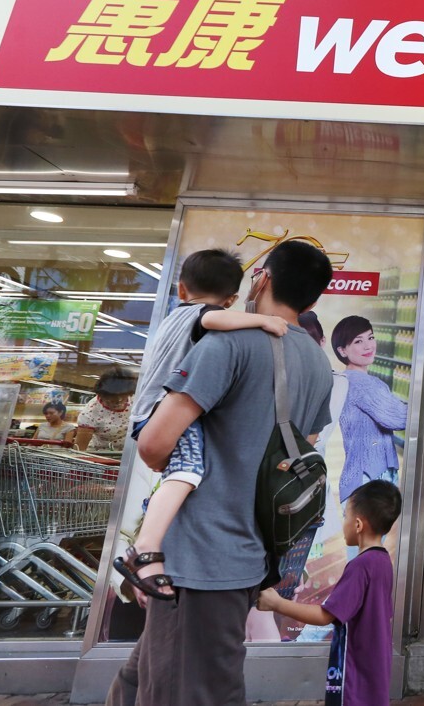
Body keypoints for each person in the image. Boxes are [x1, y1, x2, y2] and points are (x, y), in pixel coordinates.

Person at [105, 240, 334, 706]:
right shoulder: (318, 363)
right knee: (144, 677)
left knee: (190, 689)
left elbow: (153, 443)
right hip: (251, 553)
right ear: (311, 301)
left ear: (264, 278)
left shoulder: (229, 342)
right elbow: (295, 455)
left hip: (201, 559)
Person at [114, 247, 290, 600]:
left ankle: (148, 540)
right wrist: (262, 320)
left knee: (180, 472)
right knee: (189, 472)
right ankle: (144, 549)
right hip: (161, 410)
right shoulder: (203, 314)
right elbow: (213, 320)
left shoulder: (174, 316)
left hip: (149, 409)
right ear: (231, 300)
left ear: (181, 289)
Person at [258, 479, 401, 706]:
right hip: (376, 668)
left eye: (345, 516)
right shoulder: (383, 562)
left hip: (355, 671)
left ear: (358, 525)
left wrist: (276, 604)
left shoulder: (359, 566)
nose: (342, 522)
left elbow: (326, 616)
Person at [331, 316, 408, 503]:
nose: (368, 346)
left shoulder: (367, 381)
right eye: (358, 341)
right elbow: (398, 417)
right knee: (368, 532)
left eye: (370, 338)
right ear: (342, 350)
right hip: (368, 477)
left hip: (372, 474)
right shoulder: (359, 382)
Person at [75, 367, 137, 453]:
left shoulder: (136, 402)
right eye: (111, 401)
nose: (118, 403)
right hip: (100, 454)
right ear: (102, 395)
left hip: (130, 453)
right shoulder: (90, 413)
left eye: (123, 398)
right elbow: (79, 449)